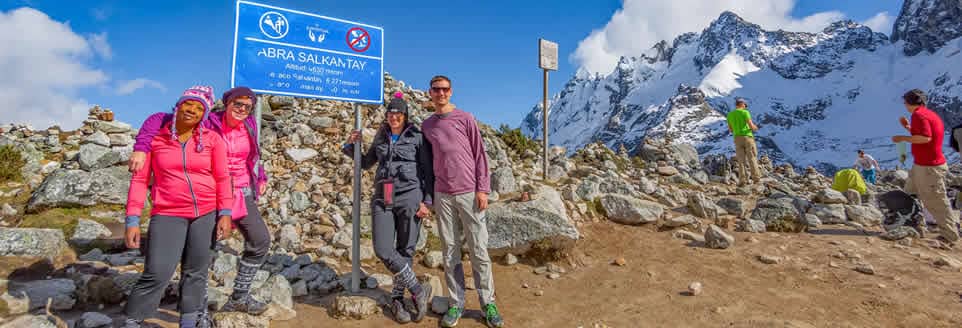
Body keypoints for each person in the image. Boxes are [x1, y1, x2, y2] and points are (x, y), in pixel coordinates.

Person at [129, 87, 272, 314]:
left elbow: (253, 155)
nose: (242, 109)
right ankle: (197, 309)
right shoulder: (208, 122)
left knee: (260, 240)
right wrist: (141, 147)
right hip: (213, 192)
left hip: (242, 191)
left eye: (247, 107)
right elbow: (160, 120)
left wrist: (260, 176)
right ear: (227, 103)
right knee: (203, 253)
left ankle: (239, 296)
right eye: (237, 104)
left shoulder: (250, 125)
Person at [123, 86, 233, 328]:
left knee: (196, 271)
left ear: (204, 114)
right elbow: (140, 181)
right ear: (178, 105)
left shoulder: (212, 140)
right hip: (168, 212)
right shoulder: (156, 138)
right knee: (158, 272)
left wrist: (225, 213)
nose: (191, 110)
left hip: (206, 212)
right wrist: (132, 219)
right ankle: (133, 321)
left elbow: (224, 178)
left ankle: (189, 321)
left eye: (199, 107)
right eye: (188, 104)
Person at [342, 92, 434, 323]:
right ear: (386, 116)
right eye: (391, 112)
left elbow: (428, 172)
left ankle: (397, 299)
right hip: (383, 196)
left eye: (398, 113)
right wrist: (350, 145)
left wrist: (428, 201)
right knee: (383, 249)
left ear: (405, 115)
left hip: (410, 196)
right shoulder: (381, 137)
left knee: (406, 250)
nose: (394, 116)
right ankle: (417, 289)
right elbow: (366, 163)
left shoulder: (417, 137)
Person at [421, 75, 503, 328]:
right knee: (449, 250)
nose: (441, 93)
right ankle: (456, 303)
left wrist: (483, 189)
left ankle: (488, 302)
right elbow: (425, 164)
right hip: (443, 194)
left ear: (451, 92)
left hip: (469, 191)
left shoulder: (465, 118)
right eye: (436, 90)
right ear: (430, 93)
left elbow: (480, 155)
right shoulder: (428, 126)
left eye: (445, 89)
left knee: (479, 248)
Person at [891, 89, 960, 246]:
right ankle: (914, 225)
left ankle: (949, 235)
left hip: (929, 166)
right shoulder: (928, 114)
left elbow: (925, 138)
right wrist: (908, 127)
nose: (904, 105)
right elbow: (926, 133)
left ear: (909, 103)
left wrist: (902, 138)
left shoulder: (919, 115)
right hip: (922, 164)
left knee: (935, 200)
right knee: (910, 192)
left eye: (905, 102)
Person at [726, 98, 761, 186]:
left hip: (737, 138)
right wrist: (756, 128)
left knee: (741, 160)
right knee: (752, 157)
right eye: (745, 105)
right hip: (747, 137)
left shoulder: (730, 114)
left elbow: (730, 129)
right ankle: (756, 179)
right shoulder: (745, 112)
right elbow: (751, 125)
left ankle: (742, 180)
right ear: (742, 104)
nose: (745, 107)